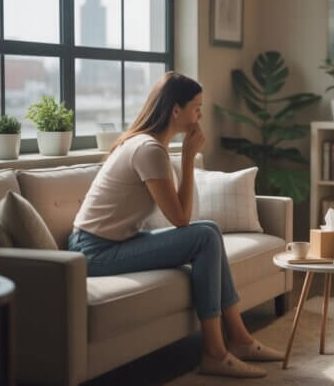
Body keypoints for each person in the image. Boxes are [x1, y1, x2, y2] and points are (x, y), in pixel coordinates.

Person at [69, 72, 282, 378]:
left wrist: (186, 157)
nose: (200, 116)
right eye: (197, 108)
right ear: (176, 111)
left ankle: (240, 340)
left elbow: (184, 217)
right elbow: (181, 219)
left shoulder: (150, 146)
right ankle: (215, 353)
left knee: (209, 230)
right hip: (94, 252)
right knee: (205, 237)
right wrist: (189, 157)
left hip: (112, 242)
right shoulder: (149, 150)